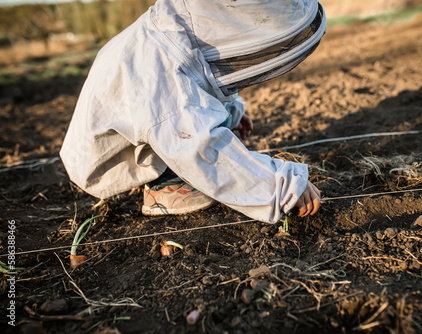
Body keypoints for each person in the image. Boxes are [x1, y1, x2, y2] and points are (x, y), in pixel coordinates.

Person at [60, 0, 326, 223]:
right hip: (105, 159)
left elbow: (199, 76)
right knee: (184, 142)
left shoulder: (173, 35)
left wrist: (231, 110)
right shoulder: (160, 75)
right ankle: (165, 185)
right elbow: (200, 146)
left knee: (181, 126)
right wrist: (284, 185)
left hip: (144, 118)